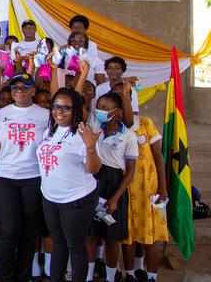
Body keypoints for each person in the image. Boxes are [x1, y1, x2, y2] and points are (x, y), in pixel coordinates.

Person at [0, 73, 50, 282]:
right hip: (5, 178)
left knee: (29, 232)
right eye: (15, 87)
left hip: (34, 178)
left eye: (24, 87)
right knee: (9, 230)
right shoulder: (1, 115)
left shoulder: (45, 115)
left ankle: (23, 275)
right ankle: (5, 276)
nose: (19, 90)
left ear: (33, 90)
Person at [37, 88, 101, 282]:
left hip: (76, 198)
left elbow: (94, 169)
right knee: (58, 244)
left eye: (66, 108)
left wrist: (90, 147)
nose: (59, 111)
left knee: (76, 246)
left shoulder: (83, 133)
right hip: (50, 197)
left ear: (76, 110)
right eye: (56, 106)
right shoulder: (50, 130)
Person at [86, 92, 138, 282]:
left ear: (117, 112)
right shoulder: (93, 127)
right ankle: (88, 276)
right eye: (99, 107)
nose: (101, 111)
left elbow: (130, 171)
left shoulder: (128, 136)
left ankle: (110, 277)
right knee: (90, 235)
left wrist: (115, 198)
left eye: (106, 108)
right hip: (93, 181)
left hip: (115, 184)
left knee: (111, 237)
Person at [121, 113, 167, 282]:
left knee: (150, 232)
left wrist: (162, 187)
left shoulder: (146, 123)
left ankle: (152, 276)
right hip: (124, 189)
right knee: (128, 233)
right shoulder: (116, 127)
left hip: (148, 187)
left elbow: (158, 156)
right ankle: (131, 273)